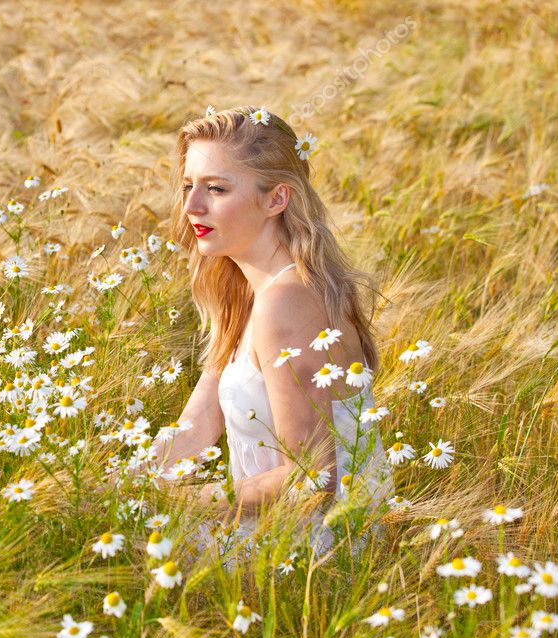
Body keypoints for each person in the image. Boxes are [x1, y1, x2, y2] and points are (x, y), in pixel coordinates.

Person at [154, 105, 394, 558]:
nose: (191, 207)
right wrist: (123, 485)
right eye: (188, 186)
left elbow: (309, 480)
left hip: (310, 550)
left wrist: (173, 502)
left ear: (276, 199)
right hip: (266, 527)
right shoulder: (246, 292)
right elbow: (198, 425)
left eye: (216, 189)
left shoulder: (286, 303)